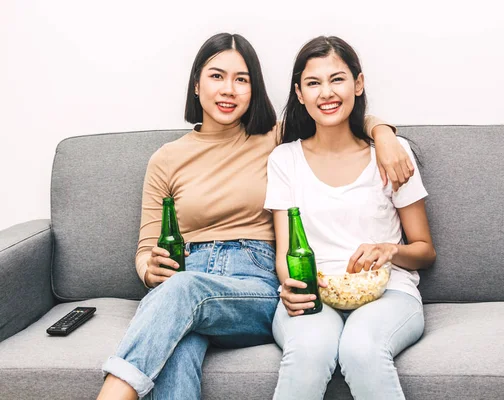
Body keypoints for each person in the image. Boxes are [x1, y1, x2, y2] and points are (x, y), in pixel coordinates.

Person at [97, 32, 415, 400]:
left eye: (242, 79)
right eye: (217, 76)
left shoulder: (275, 139)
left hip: (255, 286)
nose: (229, 89)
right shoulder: (165, 159)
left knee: (183, 293)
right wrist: (148, 269)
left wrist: (384, 134)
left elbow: (336, 114)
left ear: (254, 90)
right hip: (188, 281)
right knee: (177, 345)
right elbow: (146, 247)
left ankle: (114, 392)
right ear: (196, 84)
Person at [264, 36, 437, 400]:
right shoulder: (285, 160)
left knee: (361, 349)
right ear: (299, 93)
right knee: (309, 351)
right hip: (315, 293)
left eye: (337, 79)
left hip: (388, 292)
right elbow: (285, 253)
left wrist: (389, 250)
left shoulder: (391, 154)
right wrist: (291, 288)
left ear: (358, 84)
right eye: (313, 83)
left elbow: (424, 250)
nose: (326, 92)